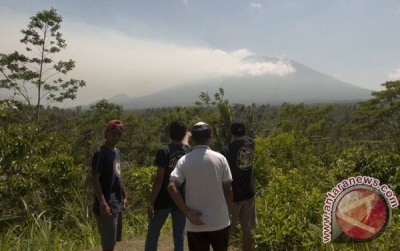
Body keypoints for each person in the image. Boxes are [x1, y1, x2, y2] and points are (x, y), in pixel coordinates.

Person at [168, 122, 233, 251]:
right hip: (218, 220)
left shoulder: (185, 160)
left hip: (195, 223)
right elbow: (228, 190)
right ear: (210, 137)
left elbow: (171, 186)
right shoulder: (220, 159)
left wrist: (187, 212)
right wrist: (229, 213)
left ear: (193, 139)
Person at [145, 121, 192, 251]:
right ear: (183, 134)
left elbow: (159, 179)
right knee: (179, 236)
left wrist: (152, 202)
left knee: (153, 234)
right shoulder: (188, 151)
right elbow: (186, 144)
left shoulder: (164, 151)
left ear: (169, 134)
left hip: (163, 199)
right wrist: (187, 136)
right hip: (180, 199)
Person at [92, 119, 128, 251]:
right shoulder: (101, 152)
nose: (116, 137)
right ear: (106, 133)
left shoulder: (117, 152)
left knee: (112, 241)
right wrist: (103, 204)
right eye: (113, 134)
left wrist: (124, 195)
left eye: (119, 134)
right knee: (108, 244)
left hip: (116, 203)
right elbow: (95, 179)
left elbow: (118, 175)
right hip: (106, 204)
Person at [220, 122, 257, 251]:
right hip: (249, 193)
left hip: (233, 196)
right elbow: (249, 138)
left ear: (231, 133)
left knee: (228, 230)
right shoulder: (251, 144)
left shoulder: (226, 150)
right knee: (247, 229)